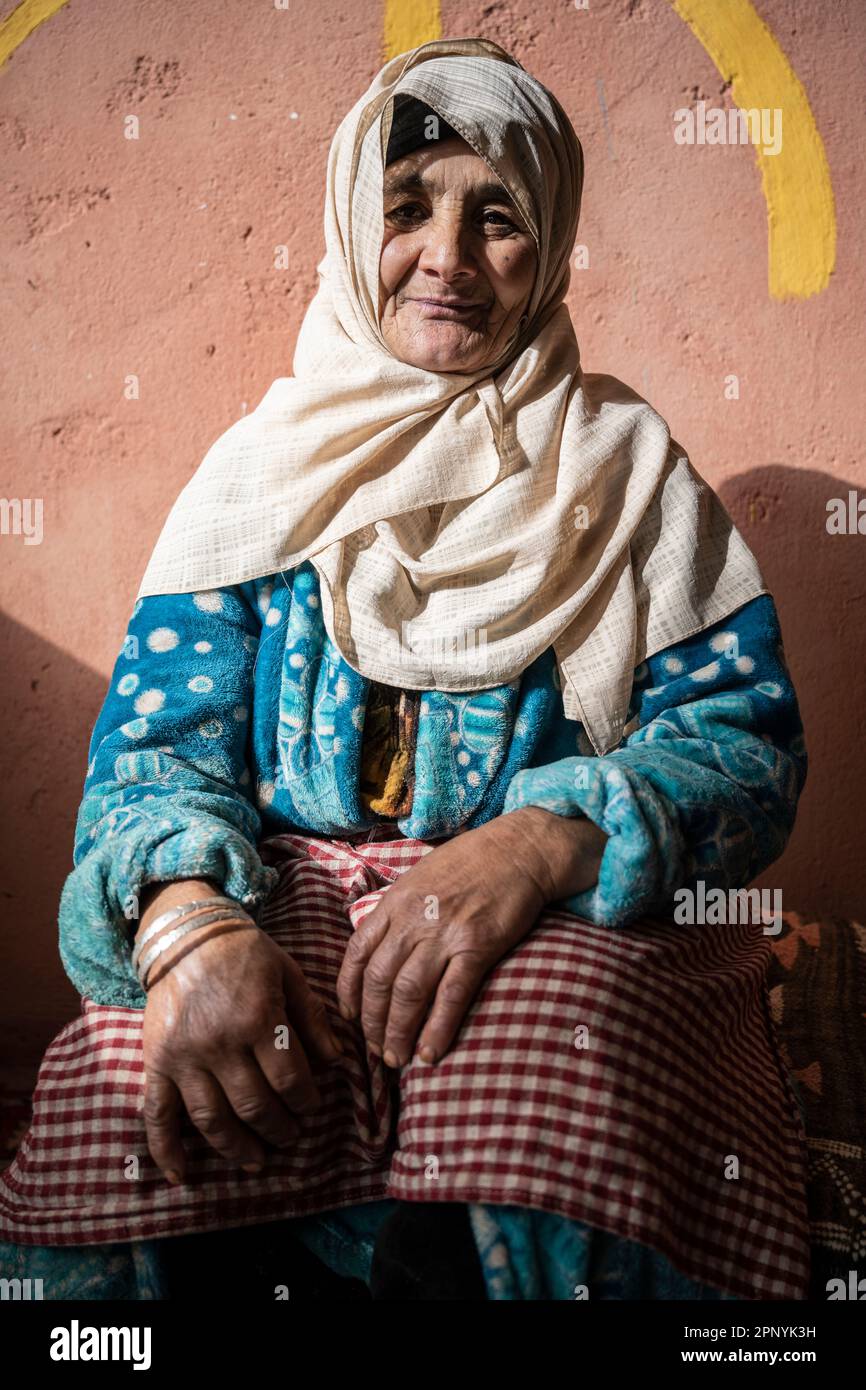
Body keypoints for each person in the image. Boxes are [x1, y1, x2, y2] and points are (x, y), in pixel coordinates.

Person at [0, 36, 810, 1301]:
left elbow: (743, 747)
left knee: (558, 1068)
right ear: (345, 223)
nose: (446, 256)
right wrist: (189, 923)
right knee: (139, 1074)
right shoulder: (257, 481)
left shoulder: (627, 471)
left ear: (547, 243)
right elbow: (155, 755)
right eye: (405, 208)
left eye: (497, 216)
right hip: (288, 891)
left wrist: (538, 840)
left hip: (554, 912)